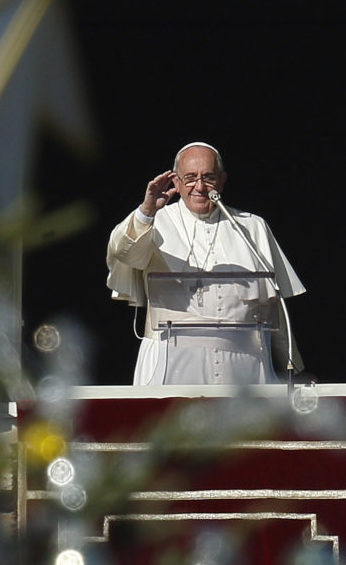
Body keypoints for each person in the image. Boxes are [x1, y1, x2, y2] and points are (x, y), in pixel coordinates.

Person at [106, 142, 305, 386]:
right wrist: (147, 210)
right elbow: (122, 251)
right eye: (189, 178)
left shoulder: (251, 226)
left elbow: (273, 307)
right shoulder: (153, 221)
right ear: (175, 183)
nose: (199, 187)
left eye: (208, 177)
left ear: (222, 181)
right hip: (171, 362)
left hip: (245, 364)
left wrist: (291, 366)